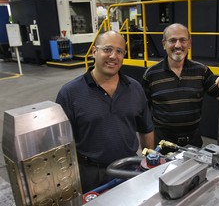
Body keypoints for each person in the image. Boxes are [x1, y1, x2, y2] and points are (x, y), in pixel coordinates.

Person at [56, 30, 154, 193]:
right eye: (107, 49)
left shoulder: (135, 88)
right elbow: (62, 143)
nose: (113, 56)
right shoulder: (70, 93)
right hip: (90, 174)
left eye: (119, 51)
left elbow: (146, 129)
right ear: (94, 51)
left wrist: (148, 162)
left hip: (129, 169)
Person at [142, 23, 219, 150]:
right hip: (162, 144)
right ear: (164, 44)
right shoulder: (151, 75)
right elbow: (143, 113)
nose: (178, 45)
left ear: (189, 43)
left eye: (183, 40)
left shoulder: (201, 70)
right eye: (172, 40)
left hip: (193, 143)